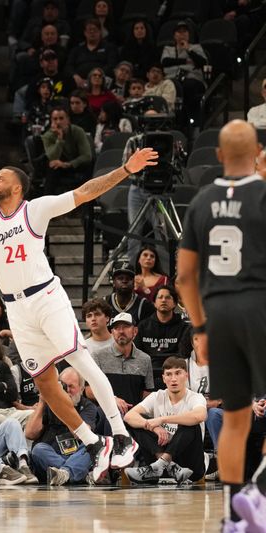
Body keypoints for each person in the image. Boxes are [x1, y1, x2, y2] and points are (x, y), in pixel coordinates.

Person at [0, 88, 159, 483]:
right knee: (44, 380)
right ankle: (93, 442)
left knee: (79, 360)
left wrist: (125, 170)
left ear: (17, 187)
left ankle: (122, 434)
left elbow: (84, 193)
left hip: (45, 296)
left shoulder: (35, 210)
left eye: (0, 177)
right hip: (16, 308)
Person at [176, 119, 266, 529]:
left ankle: (232, 516)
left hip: (218, 315)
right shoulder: (264, 194)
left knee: (235, 418)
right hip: (259, 306)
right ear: (257, 154)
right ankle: (259, 493)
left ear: (217, 156)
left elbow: (183, 278)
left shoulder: (200, 201)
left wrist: (200, 329)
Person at [123, 357, 206, 484]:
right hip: (159, 461)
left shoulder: (196, 397)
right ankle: (166, 465)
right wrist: (153, 427)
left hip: (189, 467)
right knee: (138, 422)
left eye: (178, 373)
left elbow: (199, 416)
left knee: (190, 423)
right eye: (169, 374)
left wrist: (162, 420)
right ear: (163, 378)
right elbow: (129, 416)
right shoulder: (157, 396)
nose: (173, 379)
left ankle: (163, 462)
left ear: (186, 376)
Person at [26, 367, 99, 486]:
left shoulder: (88, 406)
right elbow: (30, 434)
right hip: (51, 458)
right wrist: (42, 402)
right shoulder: (49, 404)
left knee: (92, 446)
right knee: (38, 449)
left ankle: (65, 474)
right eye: (64, 386)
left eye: (72, 387)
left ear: (81, 389)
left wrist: (66, 407)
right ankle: (77, 473)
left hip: (76, 455)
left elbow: (81, 435)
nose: (67, 390)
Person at [90, 312, 154, 419]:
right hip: (106, 416)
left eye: (125, 327)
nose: (121, 331)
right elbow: (88, 390)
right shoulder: (98, 356)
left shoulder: (145, 359)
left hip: (134, 417)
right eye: (116, 328)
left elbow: (147, 393)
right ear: (112, 332)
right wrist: (112, 399)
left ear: (135, 331)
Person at [134, 285, 191, 389]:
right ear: (154, 303)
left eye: (168, 297)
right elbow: (137, 353)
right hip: (148, 372)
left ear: (175, 303)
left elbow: (183, 354)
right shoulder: (143, 326)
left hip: (174, 373)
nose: (163, 300)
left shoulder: (184, 327)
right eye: (160, 297)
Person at [40, 107, 93, 195]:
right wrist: (59, 139)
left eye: (61, 118)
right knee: (52, 168)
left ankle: (88, 205)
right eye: (55, 119)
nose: (58, 122)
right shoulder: (48, 136)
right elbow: (52, 157)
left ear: (68, 120)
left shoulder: (78, 131)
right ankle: (48, 202)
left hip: (76, 165)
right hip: (59, 166)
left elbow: (87, 156)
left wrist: (68, 164)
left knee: (88, 166)